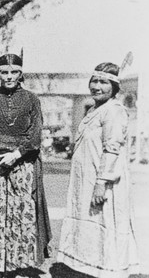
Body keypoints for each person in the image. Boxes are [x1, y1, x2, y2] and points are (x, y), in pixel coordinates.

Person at [0, 54, 51, 278]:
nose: (9, 77)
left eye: (14, 72)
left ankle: (15, 262)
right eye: (4, 72)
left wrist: (16, 154)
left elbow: (35, 135)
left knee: (17, 213)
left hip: (22, 166)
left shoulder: (32, 100)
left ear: (21, 73)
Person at [57, 63, 139, 277]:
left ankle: (109, 271)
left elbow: (111, 148)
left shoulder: (114, 111)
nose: (97, 86)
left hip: (103, 182)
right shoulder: (94, 110)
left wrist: (101, 183)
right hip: (86, 181)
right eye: (94, 81)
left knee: (105, 224)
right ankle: (90, 269)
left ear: (114, 86)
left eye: (103, 82)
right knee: (88, 225)